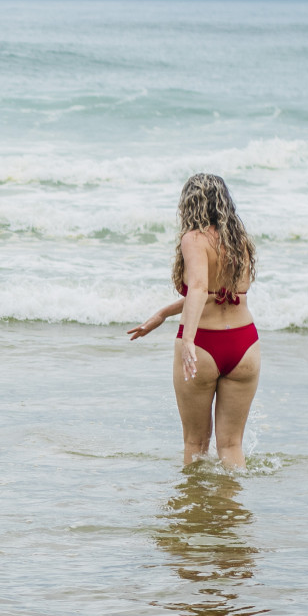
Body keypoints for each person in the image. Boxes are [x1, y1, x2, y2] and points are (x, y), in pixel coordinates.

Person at [127, 173, 261, 468]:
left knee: (195, 443)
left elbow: (200, 287)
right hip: (245, 345)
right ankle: (232, 511)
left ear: (190, 203)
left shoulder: (194, 238)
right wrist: (163, 313)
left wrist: (188, 339)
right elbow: (220, 294)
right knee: (232, 444)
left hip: (203, 344)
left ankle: (194, 511)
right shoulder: (241, 241)